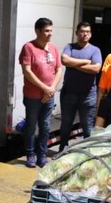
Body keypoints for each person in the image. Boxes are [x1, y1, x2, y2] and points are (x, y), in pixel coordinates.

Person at [19, 17, 63, 168]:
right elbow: (27, 71)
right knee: (31, 125)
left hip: (49, 95)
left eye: (51, 30)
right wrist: (45, 88)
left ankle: (42, 154)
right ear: (37, 31)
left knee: (45, 126)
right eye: (46, 31)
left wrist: (51, 89)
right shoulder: (29, 47)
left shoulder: (54, 49)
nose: (50, 34)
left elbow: (59, 70)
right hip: (33, 96)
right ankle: (30, 154)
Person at [59, 22, 102, 151]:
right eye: (82, 31)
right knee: (66, 124)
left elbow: (96, 69)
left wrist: (74, 64)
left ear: (91, 34)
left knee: (87, 126)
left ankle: (86, 152)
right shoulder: (70, 47)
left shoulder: (95, 50)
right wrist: (85, 62)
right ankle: (62, 149)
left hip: (88, 95)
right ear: (77, 33)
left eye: (88, 32)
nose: (85, 34)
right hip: (69, 93)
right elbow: (64, 60)